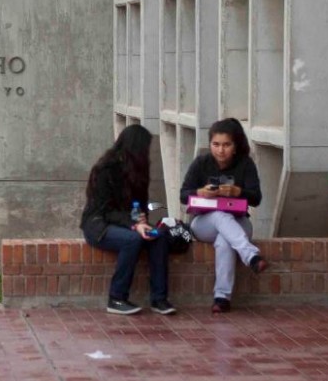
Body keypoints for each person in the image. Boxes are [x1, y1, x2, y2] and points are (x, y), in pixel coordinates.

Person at [80, 124, 176, 316]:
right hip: (99, 225)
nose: (147, 154)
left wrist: (141, 221)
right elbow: (104, 211)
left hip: (128, 224)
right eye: (145, 149)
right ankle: (116, 297)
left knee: (159, 236)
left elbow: (137, 205)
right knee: (132, 239)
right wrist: (134, 224)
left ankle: (159, 299)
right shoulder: (105, 170)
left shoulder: (139, 171)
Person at [178, 118, 270, 314]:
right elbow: (183, 194)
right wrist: (201, 192)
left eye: (226, 145)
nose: (221, 150)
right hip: (203, 223)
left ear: (235, 146)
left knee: (225, 241)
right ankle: (250, 255)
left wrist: (238, 192)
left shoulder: (245, 164)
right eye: (216, 144)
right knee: (220, 215)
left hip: (239, 221)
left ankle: (222, 298)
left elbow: (256, 198)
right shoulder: (201, 162)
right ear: (210, 144)